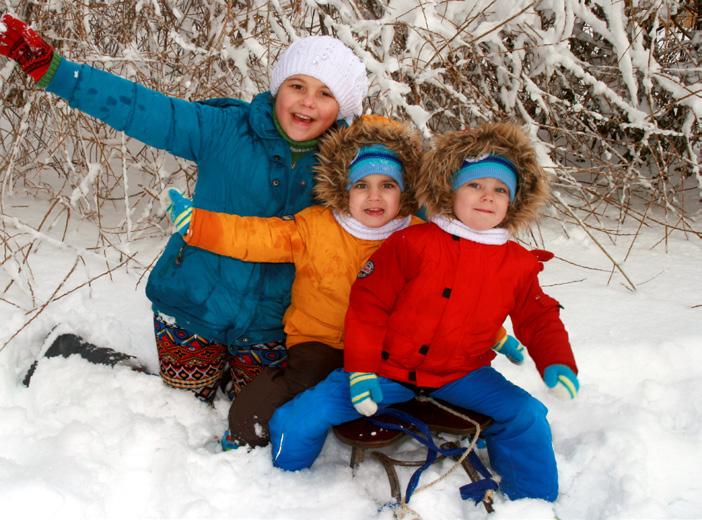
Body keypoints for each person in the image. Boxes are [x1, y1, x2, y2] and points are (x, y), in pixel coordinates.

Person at [0, 14, 369, 402]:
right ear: (279, 88)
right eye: (298, 86)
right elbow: (143, 109)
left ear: (342, 109)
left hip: (273, 323)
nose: (308, 101)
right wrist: (55, 72)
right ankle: (76, 353)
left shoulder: (350, 166)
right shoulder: (224, 129)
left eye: (325, 94)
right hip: (195, 304)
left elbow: (400, 205)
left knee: (259, 410)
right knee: (184, 401)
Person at [267, 122, 580, 502]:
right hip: (387, 369)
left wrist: (557, 361)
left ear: (513, 201)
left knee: (527, 415)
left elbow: (538, 316)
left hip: (462, 374)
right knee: (298, 418)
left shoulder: (516, 263)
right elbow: (369, 303)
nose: (488, 196)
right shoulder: (412, 242)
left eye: (500, 189)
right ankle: (282, 487)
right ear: (451, 190)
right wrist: (362, 368)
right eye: (475, 185)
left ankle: (534, 502)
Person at [170, 115, 422, 448]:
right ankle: (247, 430)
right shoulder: (315, 226)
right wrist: (200, 225)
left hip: (388, 346)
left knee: (420, 383)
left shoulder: (419, 235)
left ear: (404, 190)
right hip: (320, 341)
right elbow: (256, 237)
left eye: (387, 185)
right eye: (362, 185)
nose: (374, 197)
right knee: (296, 382)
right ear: (342, 186)